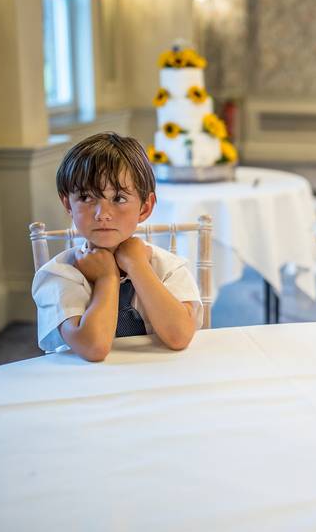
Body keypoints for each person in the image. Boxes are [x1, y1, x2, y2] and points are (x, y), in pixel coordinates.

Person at [32, 132, 203, 361]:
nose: (102, 214)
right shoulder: (58, 275)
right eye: (85, 197)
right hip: (86, 386)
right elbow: (93, 348)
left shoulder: (168, 268)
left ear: (145, 208)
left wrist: (137, 266)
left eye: (119, 198)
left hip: (156, 378)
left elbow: (179, 336)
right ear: (68, 205)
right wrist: (107, 279)